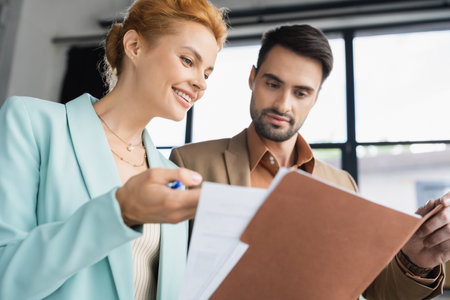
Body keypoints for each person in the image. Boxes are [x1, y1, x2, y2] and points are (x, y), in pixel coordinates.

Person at [170, 24, 450, 299]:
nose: (283, 104)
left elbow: (377, 291)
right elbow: (161, 276)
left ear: (315, 98)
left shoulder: (342, 184)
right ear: (252, 79)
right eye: (272, 84)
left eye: (301, 93)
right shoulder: (189, 164)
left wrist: (415, 258)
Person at [0, 0, 227, 299]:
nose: (201, 83)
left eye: (207, 73)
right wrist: (120, 211)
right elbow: (5, 276)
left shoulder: (172, 174)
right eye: (188, 61)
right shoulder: (32, 124)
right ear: (134, 46)